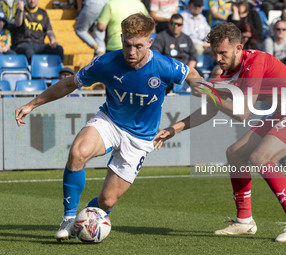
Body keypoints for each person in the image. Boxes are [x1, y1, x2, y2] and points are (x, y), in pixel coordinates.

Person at [14, 13, 201, 241]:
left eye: (138, 46)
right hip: (110, 121)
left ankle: (86, 220)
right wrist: (32, 104)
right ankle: (69, 218)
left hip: (141, 138)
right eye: (127, 45)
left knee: (106, 202)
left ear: (150, 42)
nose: (131, 52)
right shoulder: (107, 62)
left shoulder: (164, 66)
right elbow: (68, 84)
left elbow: (191, 74)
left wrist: (207, 90)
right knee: (77, 152)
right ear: (121, 39)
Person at [154, 22, 286, 242]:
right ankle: (244, 221)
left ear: (238, 47)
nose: (218, 58)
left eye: (223, 53)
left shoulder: (256, 61)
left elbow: (242, 112)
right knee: (235, 153)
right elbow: (210, 107)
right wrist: (175, 128)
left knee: (261, 157)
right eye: (215, 53)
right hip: (283, 114)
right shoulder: (228, 74)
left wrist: (208, 91)